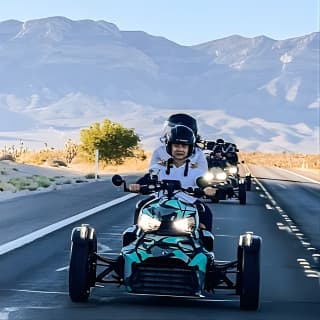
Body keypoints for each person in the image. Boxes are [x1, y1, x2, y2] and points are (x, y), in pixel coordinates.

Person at [129, 125, 215, 231]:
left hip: (188, 204)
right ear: (169, 146)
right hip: (160, 203)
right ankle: (136, 234)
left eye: (184, 146)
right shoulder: (159, 167)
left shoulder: (196, 171)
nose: (180, 149)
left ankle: (204, 242)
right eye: (176, 146)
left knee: (205, 212)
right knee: (141, 206)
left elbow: (201, 181)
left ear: (190, 148)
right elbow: (148, 178)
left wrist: (207, 188)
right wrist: (137, 186)